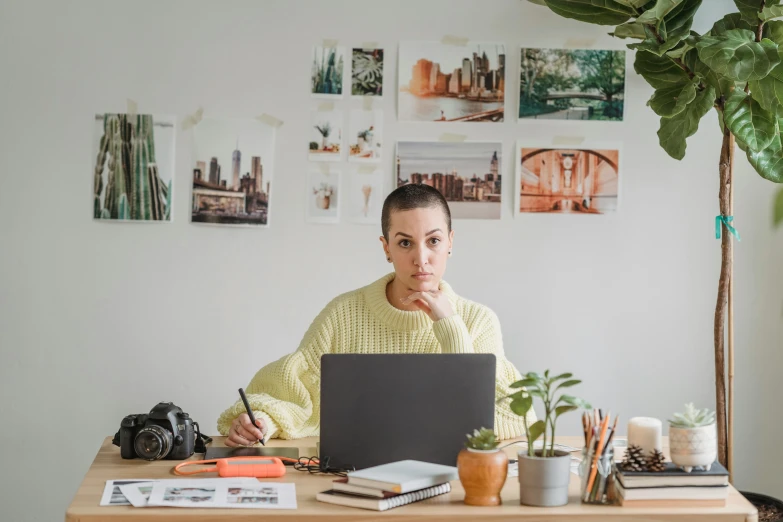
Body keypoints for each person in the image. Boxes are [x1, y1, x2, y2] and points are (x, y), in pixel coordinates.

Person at [218, 184, 533, 446]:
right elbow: (296, 391)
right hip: (354, 475)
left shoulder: (478, 320)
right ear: (386, 249)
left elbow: (513, 418)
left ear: (450, 242)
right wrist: (261, 420)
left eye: (434, 241)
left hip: (450, 477)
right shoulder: (344, 313)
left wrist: (450, 326)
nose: (421, 259)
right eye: (405, 243)